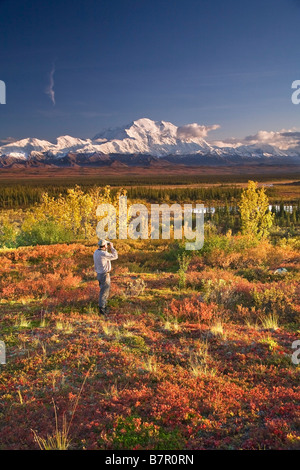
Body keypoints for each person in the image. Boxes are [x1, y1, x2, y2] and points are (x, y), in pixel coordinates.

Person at [93, 239, 118, 316]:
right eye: (106, 245)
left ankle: (103, 306)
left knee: (103, 291)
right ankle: (102, 309)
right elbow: (115, 256)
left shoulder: (96, 252)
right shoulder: (103, 253)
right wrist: (112, 247)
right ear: (104, 246)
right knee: (104, 292)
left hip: (99, 274)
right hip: (104, 275)